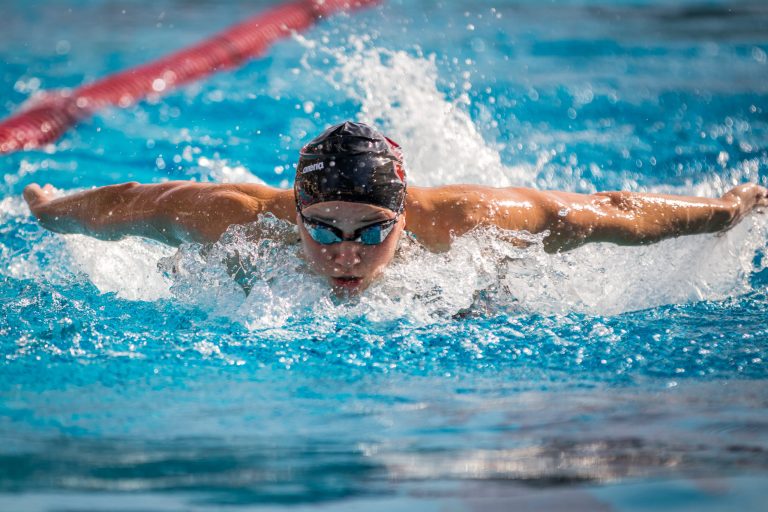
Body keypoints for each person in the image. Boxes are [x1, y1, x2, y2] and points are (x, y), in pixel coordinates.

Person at [23, 121, 768, 294]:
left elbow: (609, 212)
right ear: (293, 211)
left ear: (406, 216)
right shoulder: (234, 215)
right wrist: (47, 207)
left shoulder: (467, 221)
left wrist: (723, 211)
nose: (346, 252)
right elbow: (125, 202)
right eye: (324, 230)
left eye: (373, 230)